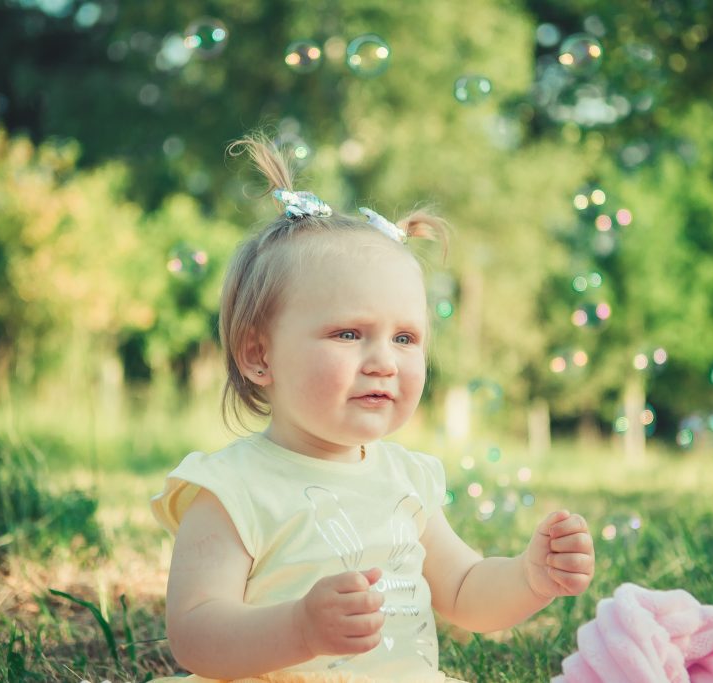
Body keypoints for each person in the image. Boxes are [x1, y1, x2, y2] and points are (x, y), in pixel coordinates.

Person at [150, 134, 596, 683]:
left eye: (406, 339)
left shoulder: (407, 480)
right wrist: (299, 630)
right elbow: (195, 635)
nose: (384, 360)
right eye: (348, 333)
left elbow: (463, 590)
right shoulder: (231, 488)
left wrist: (530, 578)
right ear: (258, 355)